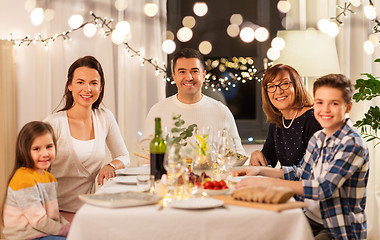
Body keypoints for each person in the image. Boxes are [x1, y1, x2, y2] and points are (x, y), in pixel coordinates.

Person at [235, 74, 369, 239]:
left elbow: (322, 188)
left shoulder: (352, 143)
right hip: (309, 218)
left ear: (348, 107)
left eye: (334, 103)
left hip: (337, 229)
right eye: (319, 102)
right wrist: (259, 171)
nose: (325, 109)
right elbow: (300, 173)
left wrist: (267, 183)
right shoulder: (319, 138)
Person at [44, 56, 130, 221]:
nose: (87, 89)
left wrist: (110, 165)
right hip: (54, 213)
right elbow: (34, 171)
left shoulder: (105, 117)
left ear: (101, 87)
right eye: (80, 82)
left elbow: (124, 156)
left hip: (89, 211)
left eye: (94, 83)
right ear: (69, 85)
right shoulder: (53, 123)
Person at [140, 48, 246, 157]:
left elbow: (238, 154)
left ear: (203, 75)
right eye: (182, 72)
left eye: (194, 71)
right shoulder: (158, 110)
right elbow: (144, 155)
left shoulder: (221, 111)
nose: (189, 77)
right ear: (174, 76)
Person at [2, 121, 71, 240]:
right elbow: (39, 221)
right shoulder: (23, 178)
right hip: (25, 236)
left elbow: (54, 216)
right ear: (25, 151)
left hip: (42, 232)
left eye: (49, 146)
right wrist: (66, 231)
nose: (45, 153)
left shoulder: (49, 179)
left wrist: (71, 227)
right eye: (36, 149)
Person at [250, 64, 322, 167]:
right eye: (271, 86)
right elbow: (268, 159)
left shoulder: (313, 119)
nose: (278, 91)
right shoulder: (277, 122)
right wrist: (257, 154)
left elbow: (311, 170)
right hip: (284, 182)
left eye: (284, 84)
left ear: (296, 85)